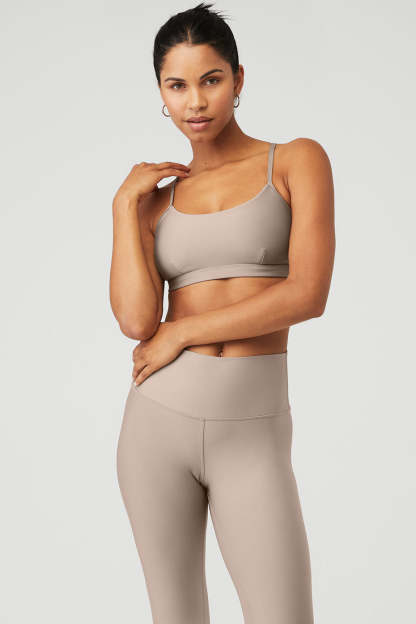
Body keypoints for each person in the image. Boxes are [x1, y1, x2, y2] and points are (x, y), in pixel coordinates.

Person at [110, 3, 335, 623]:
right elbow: (136, 323)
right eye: (177, 85)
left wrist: (182, 330)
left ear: (238, 78)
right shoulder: (155, 203)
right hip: (156, 427)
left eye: (210, 80)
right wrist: (123, 208)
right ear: (161, 94)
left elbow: (308, 293)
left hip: (252, 435)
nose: (196, 101)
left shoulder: (295, 161)